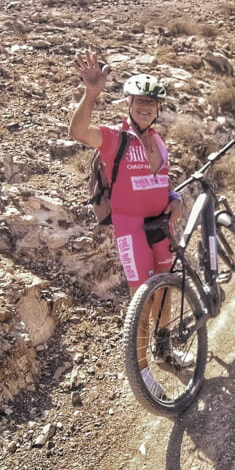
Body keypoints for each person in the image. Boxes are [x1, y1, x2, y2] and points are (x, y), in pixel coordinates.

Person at [69, 50, 182, 394]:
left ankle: (164, 349)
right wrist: (91, 92)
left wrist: (174, 199)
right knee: (142, 301)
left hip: (162, 225)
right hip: (131, 228)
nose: (145, 106)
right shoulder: (114, 138)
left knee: (164, 291)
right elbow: (77, 132)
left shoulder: (158, 139)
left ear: (158, 107)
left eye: (151, 101)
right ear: (129, 104)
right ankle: (143, 371)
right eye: (139, 101)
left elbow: (161, 179)